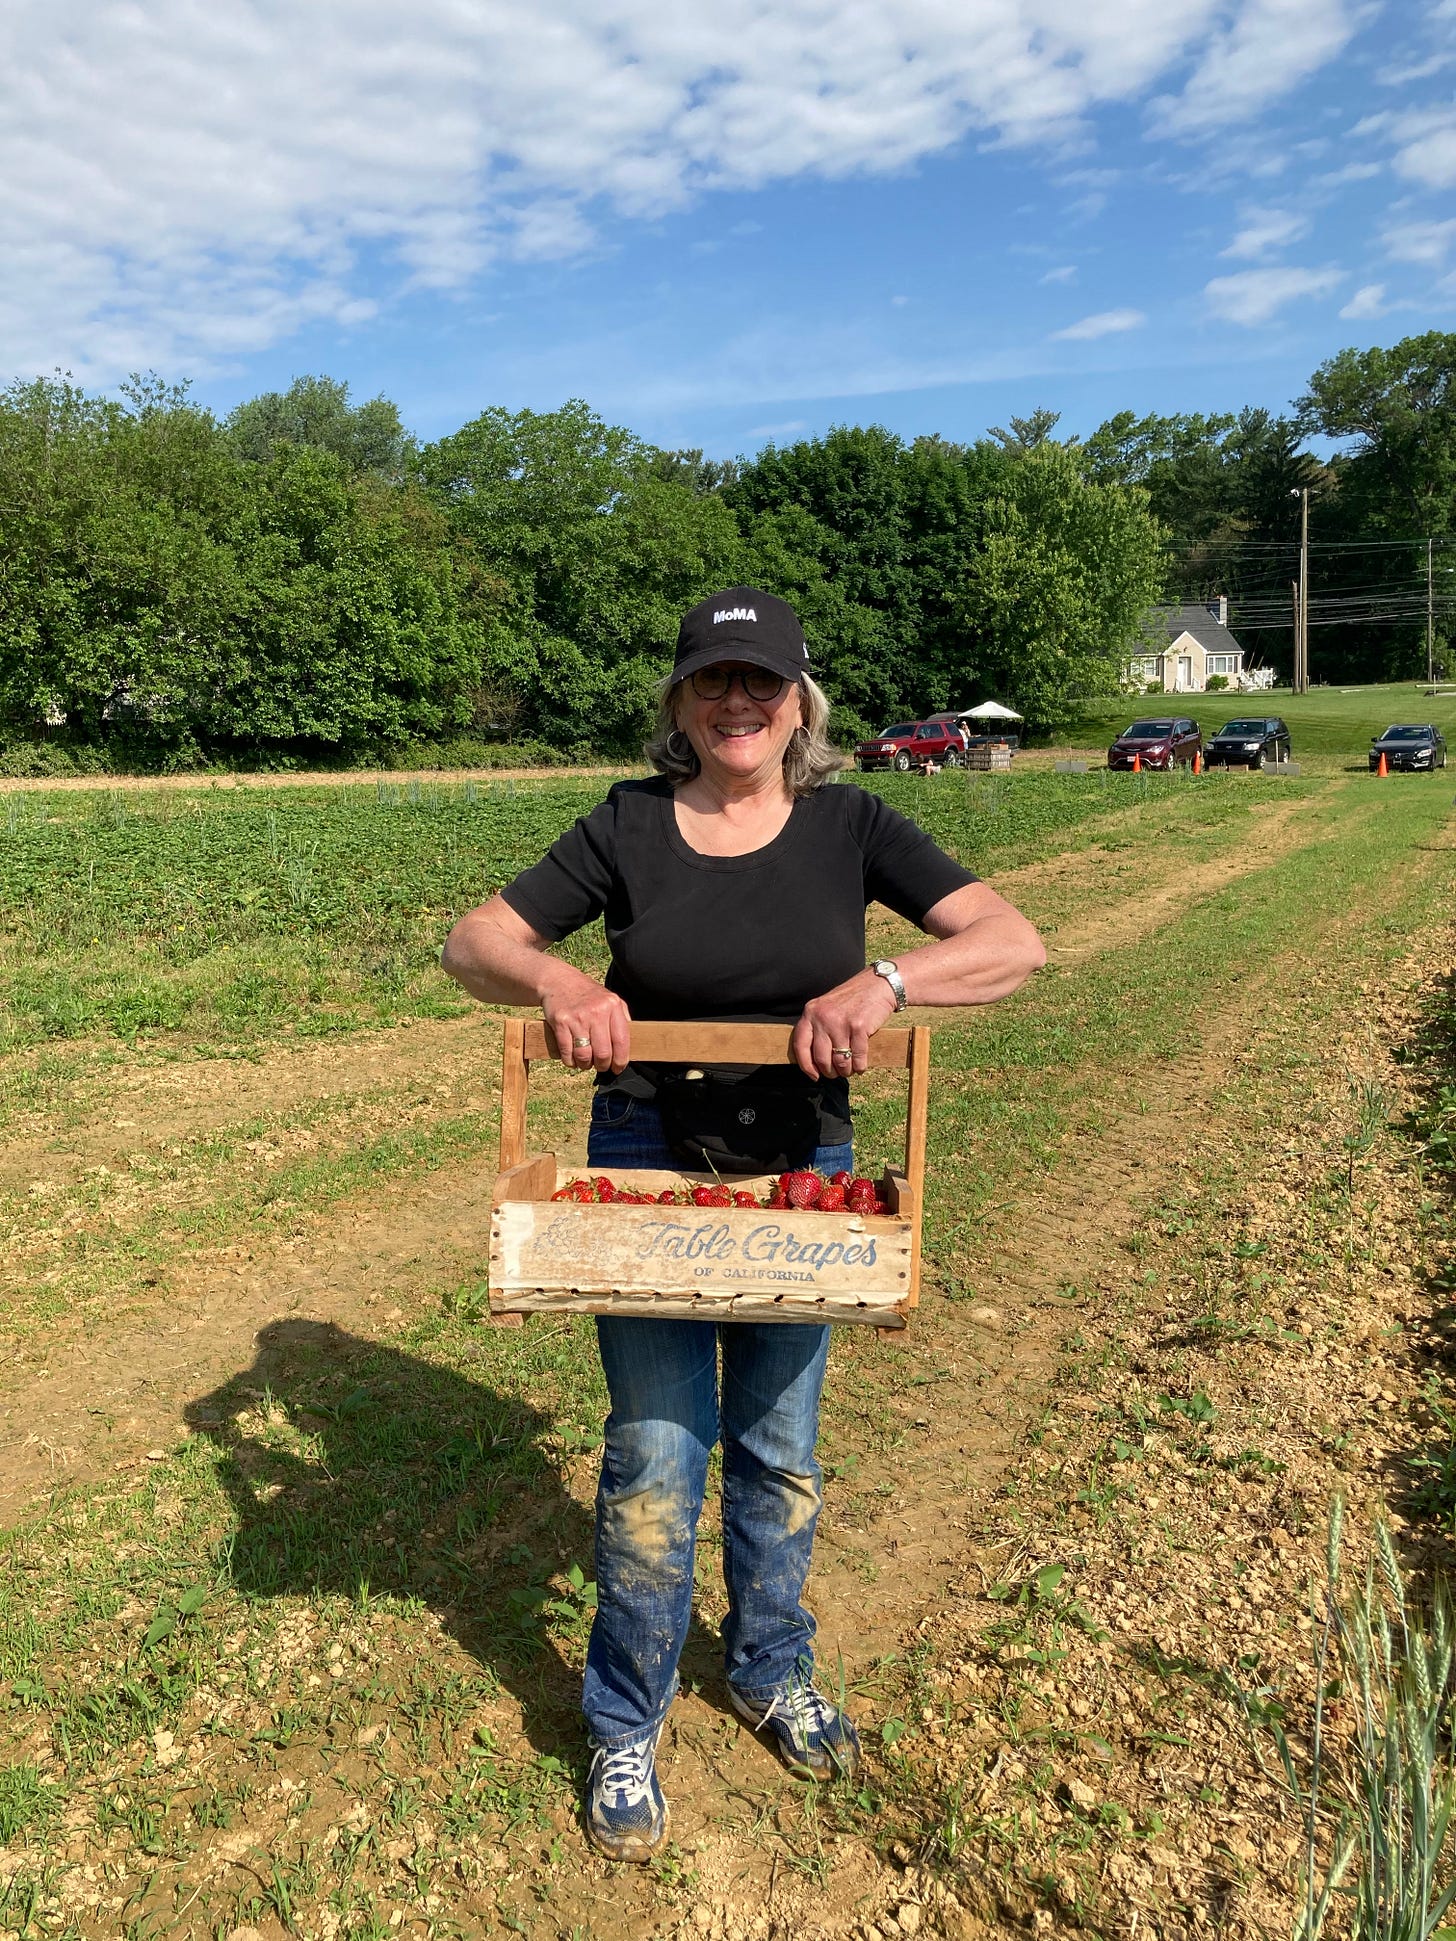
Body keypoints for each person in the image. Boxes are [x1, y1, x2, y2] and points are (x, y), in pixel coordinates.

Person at [441, 587, 1044, 1863]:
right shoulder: (627, 825)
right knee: (656, 1454)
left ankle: (772, 1669)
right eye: (712, 681)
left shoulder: (853, 826)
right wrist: (557, 977)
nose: (736, 703)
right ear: (678, 702)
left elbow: (1011, 944)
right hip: (643, 1163)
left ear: (798, 703)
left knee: (778, 1444)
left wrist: (884, 982)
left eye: (760, 683)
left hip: (801, 1172)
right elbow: (474, 940)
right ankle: (625, 1716)